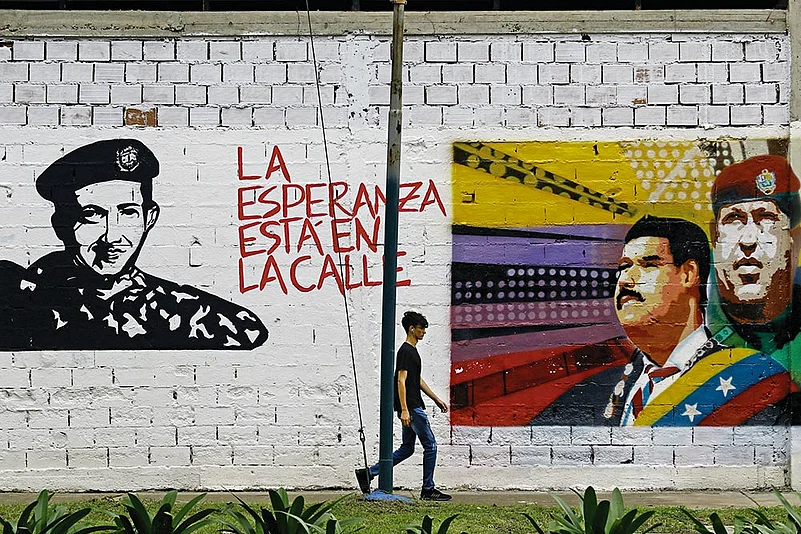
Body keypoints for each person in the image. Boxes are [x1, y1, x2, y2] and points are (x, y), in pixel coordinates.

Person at [0, 138, 268, 350]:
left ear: (149, 219)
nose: (113, 236)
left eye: (128, 213)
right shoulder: (20, 303)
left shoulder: (184, 311)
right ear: (61, 224)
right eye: (92, 214)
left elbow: (250, 333)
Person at [531, 216, 714, 425]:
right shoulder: (595, 392)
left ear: (689, 274)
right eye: (624, 267)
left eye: (648, 265)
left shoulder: (739, 378)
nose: (625, 280)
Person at [355, 311, 451, 501]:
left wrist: (435, 399)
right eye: (421, 328)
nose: (424, 331)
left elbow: (417, 380)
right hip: (413, 408)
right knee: (430, 445)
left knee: (407, 448)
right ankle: (428, 489)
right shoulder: (406, 351)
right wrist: (405, 409)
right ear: (412, 329)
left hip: (413, 406)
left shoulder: (411, 352)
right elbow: (401, 380)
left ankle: (368, 473)